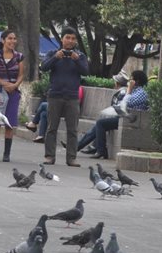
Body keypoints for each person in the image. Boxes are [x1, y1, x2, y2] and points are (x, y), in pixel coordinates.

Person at [41, 28, 89, 166]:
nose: (70, 41)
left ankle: (71, 158)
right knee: (51, 128)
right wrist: (56, 57)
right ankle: (49, 156)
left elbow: (85, 71)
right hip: (55, 95)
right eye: (67, 38)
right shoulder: (53, 53)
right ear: (62, 39)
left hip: (73, 97)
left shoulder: (80, 56)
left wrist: (77, 60)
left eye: (73, 38)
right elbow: (44, 67)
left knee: (72, 129)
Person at [79, 69, 148, 159]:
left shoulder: (141, 93)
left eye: (131, 79)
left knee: (101, 123)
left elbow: (127, 103)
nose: (129, 81)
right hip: (122, 117)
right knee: (101, 122)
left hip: (129, 120)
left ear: (137, 81)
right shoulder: (133, 91)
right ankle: (85, 147)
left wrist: (129, 90)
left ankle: (99, 150)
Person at [0, 29, 24, 162]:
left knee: (9, 124)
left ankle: (6, 154)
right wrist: (4, 83)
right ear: (3, 40)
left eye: (14, 39)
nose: (12, 41)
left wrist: (15, 85)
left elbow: (21, 74)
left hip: (13, 92)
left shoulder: (19, 56)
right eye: (10, 38)